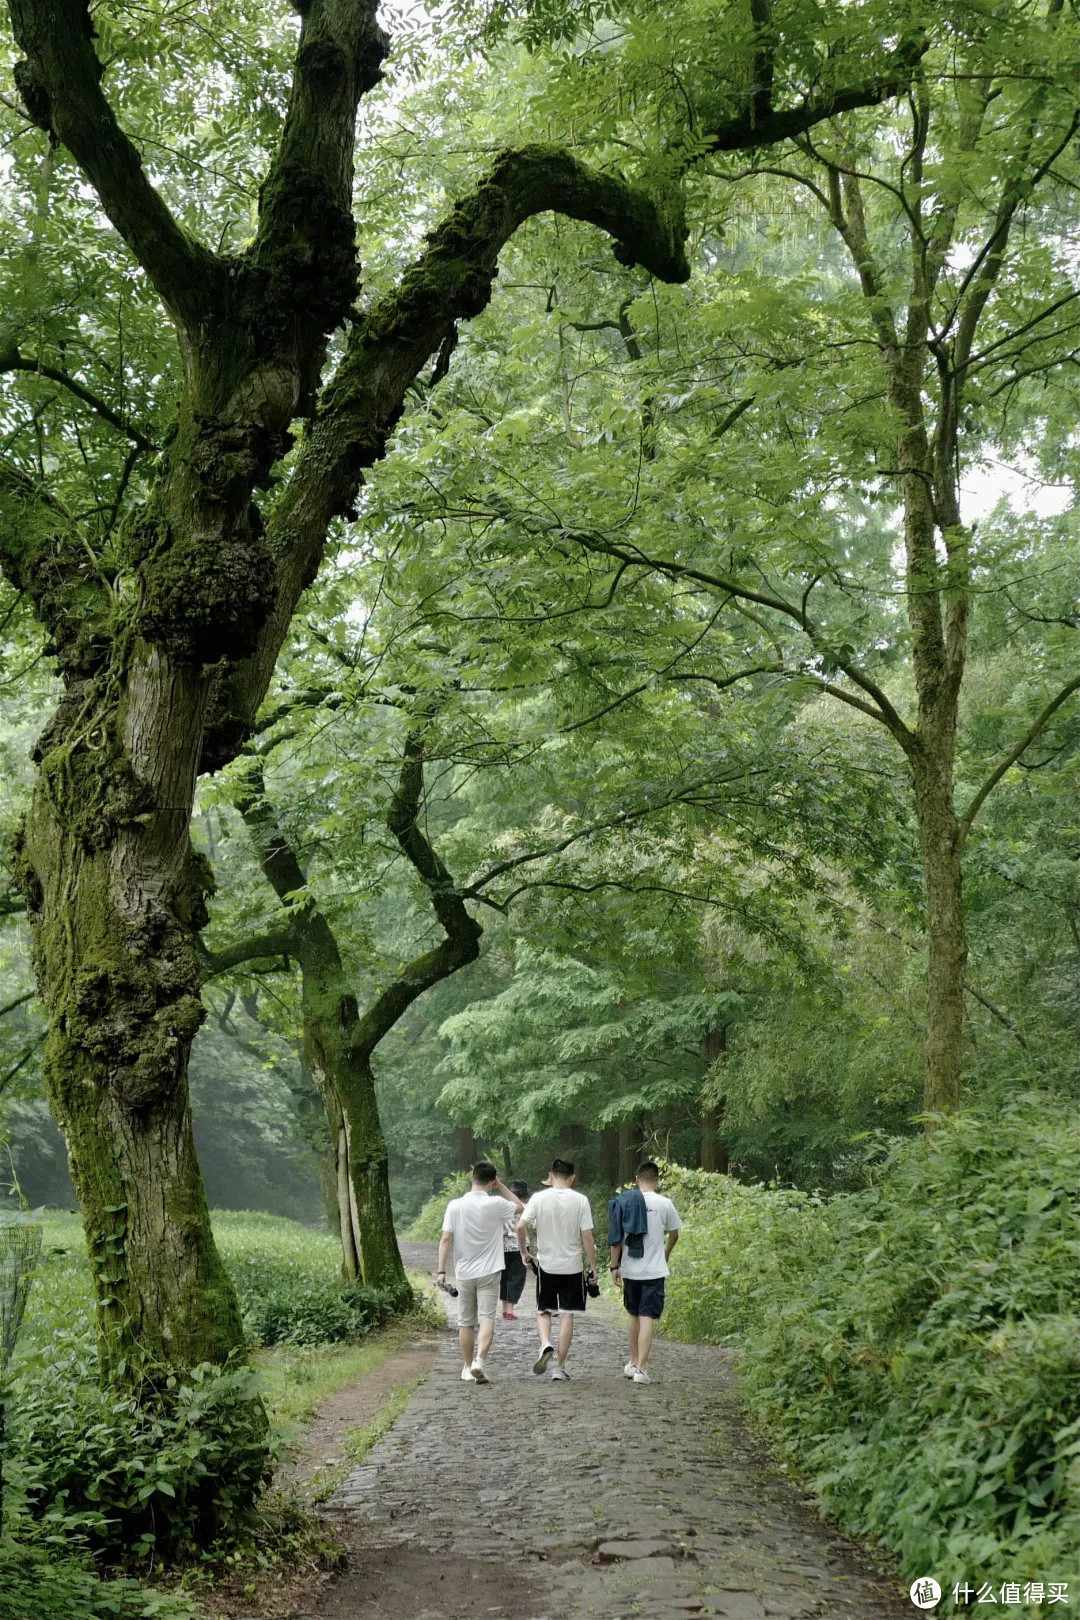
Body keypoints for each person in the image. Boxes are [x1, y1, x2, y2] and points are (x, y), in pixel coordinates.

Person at [438, 1161, 524, 1384]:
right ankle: (479, 1360)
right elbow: (519, 1206)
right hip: (490, 1270)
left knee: (465, 1321)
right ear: (492, 1182)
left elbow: (446, 1238)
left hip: (464, 1272)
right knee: (487, 1317)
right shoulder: (496, 1203)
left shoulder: (455, 1205)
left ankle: (467, 1367)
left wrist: (441, 1271)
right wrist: (501, 1186)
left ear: (471, 1178)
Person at [517, 1158, 596, 1380]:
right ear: (572, 1177)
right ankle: (559, 1367)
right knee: (566, 1315)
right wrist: (592, 1266)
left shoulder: (538, 1198)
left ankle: (545, 1344)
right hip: (571, 1266)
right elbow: (587, 1236)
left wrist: (524, 1251)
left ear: (551, 1175)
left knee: (543, 1310)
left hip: (546, 1265)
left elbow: (521, 1226)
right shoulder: (581, 1200)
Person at [609, 1160, 682, 1384]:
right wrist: (665, 1253)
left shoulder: (625, 1201)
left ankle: (632, 1362)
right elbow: (674, 1233)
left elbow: (616, 1240)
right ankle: (642, 1369)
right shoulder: (665, 1203)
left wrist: (614, 1266)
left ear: (637, 1179)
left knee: (633, 1314)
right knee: (647, 1316)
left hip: (630, 1269)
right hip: (654, 1270)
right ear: (657, 1181)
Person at [500, 1179, 529, 1319]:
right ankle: (510, 1310)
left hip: (503, 1246)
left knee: (504, 1277)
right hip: (520, 1247)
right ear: (524, 1195)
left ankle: (504, 1309)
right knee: (516, 1278)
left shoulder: (504, 1206)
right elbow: (533, 1226)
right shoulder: (527, 1207)